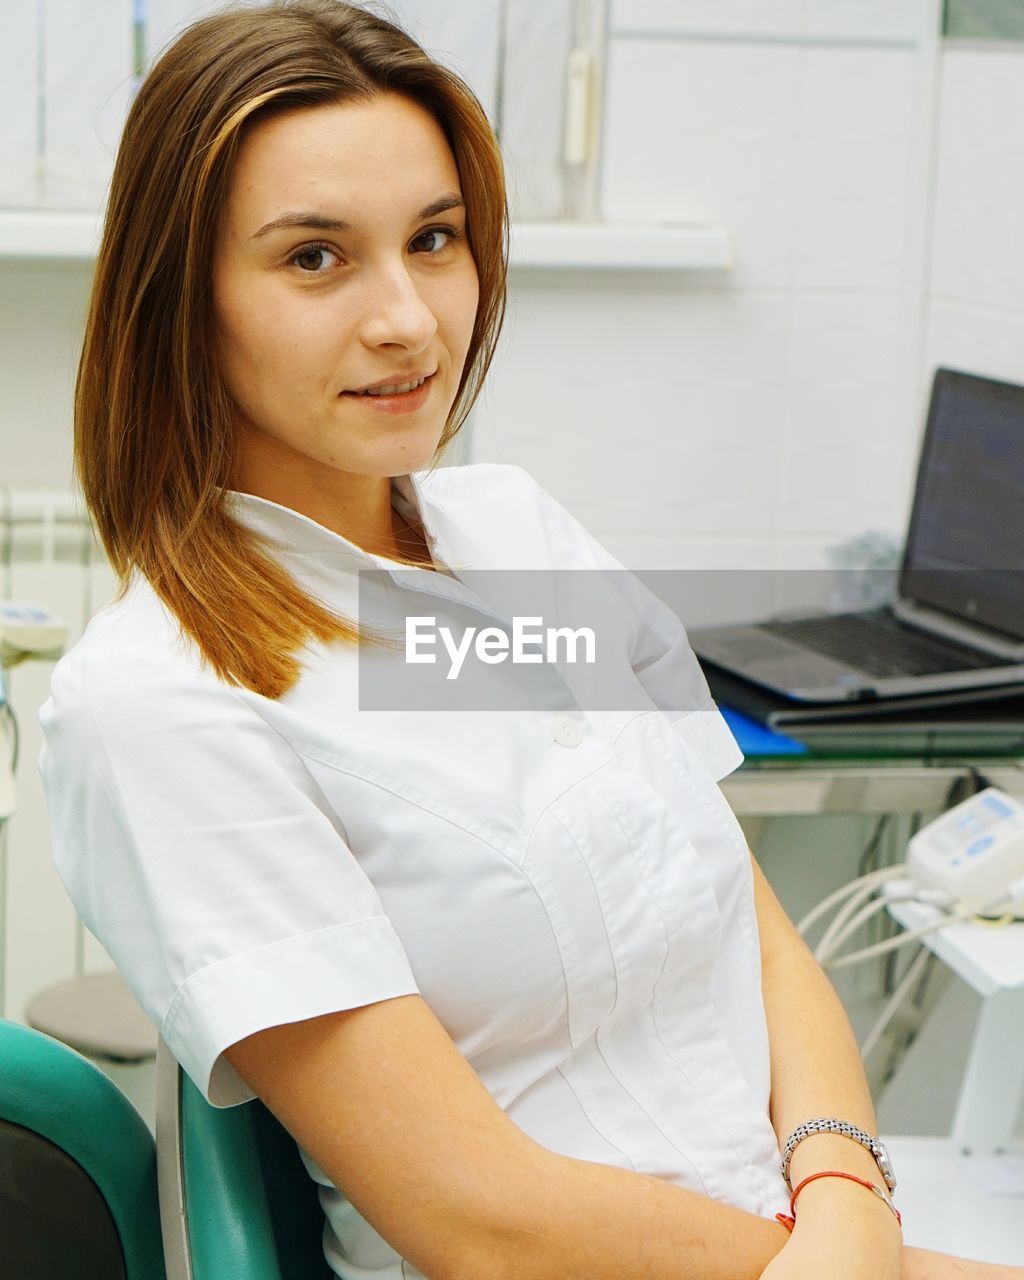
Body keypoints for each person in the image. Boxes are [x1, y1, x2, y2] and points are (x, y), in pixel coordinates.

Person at [38, 3, 1022, 1278]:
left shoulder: (519, 534)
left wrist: (842, 1186)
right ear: (184, 296)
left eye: (434, 239)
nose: (408, 319)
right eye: (315, 259)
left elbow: (746, 912)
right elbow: (476, 1213)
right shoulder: (160, 700)